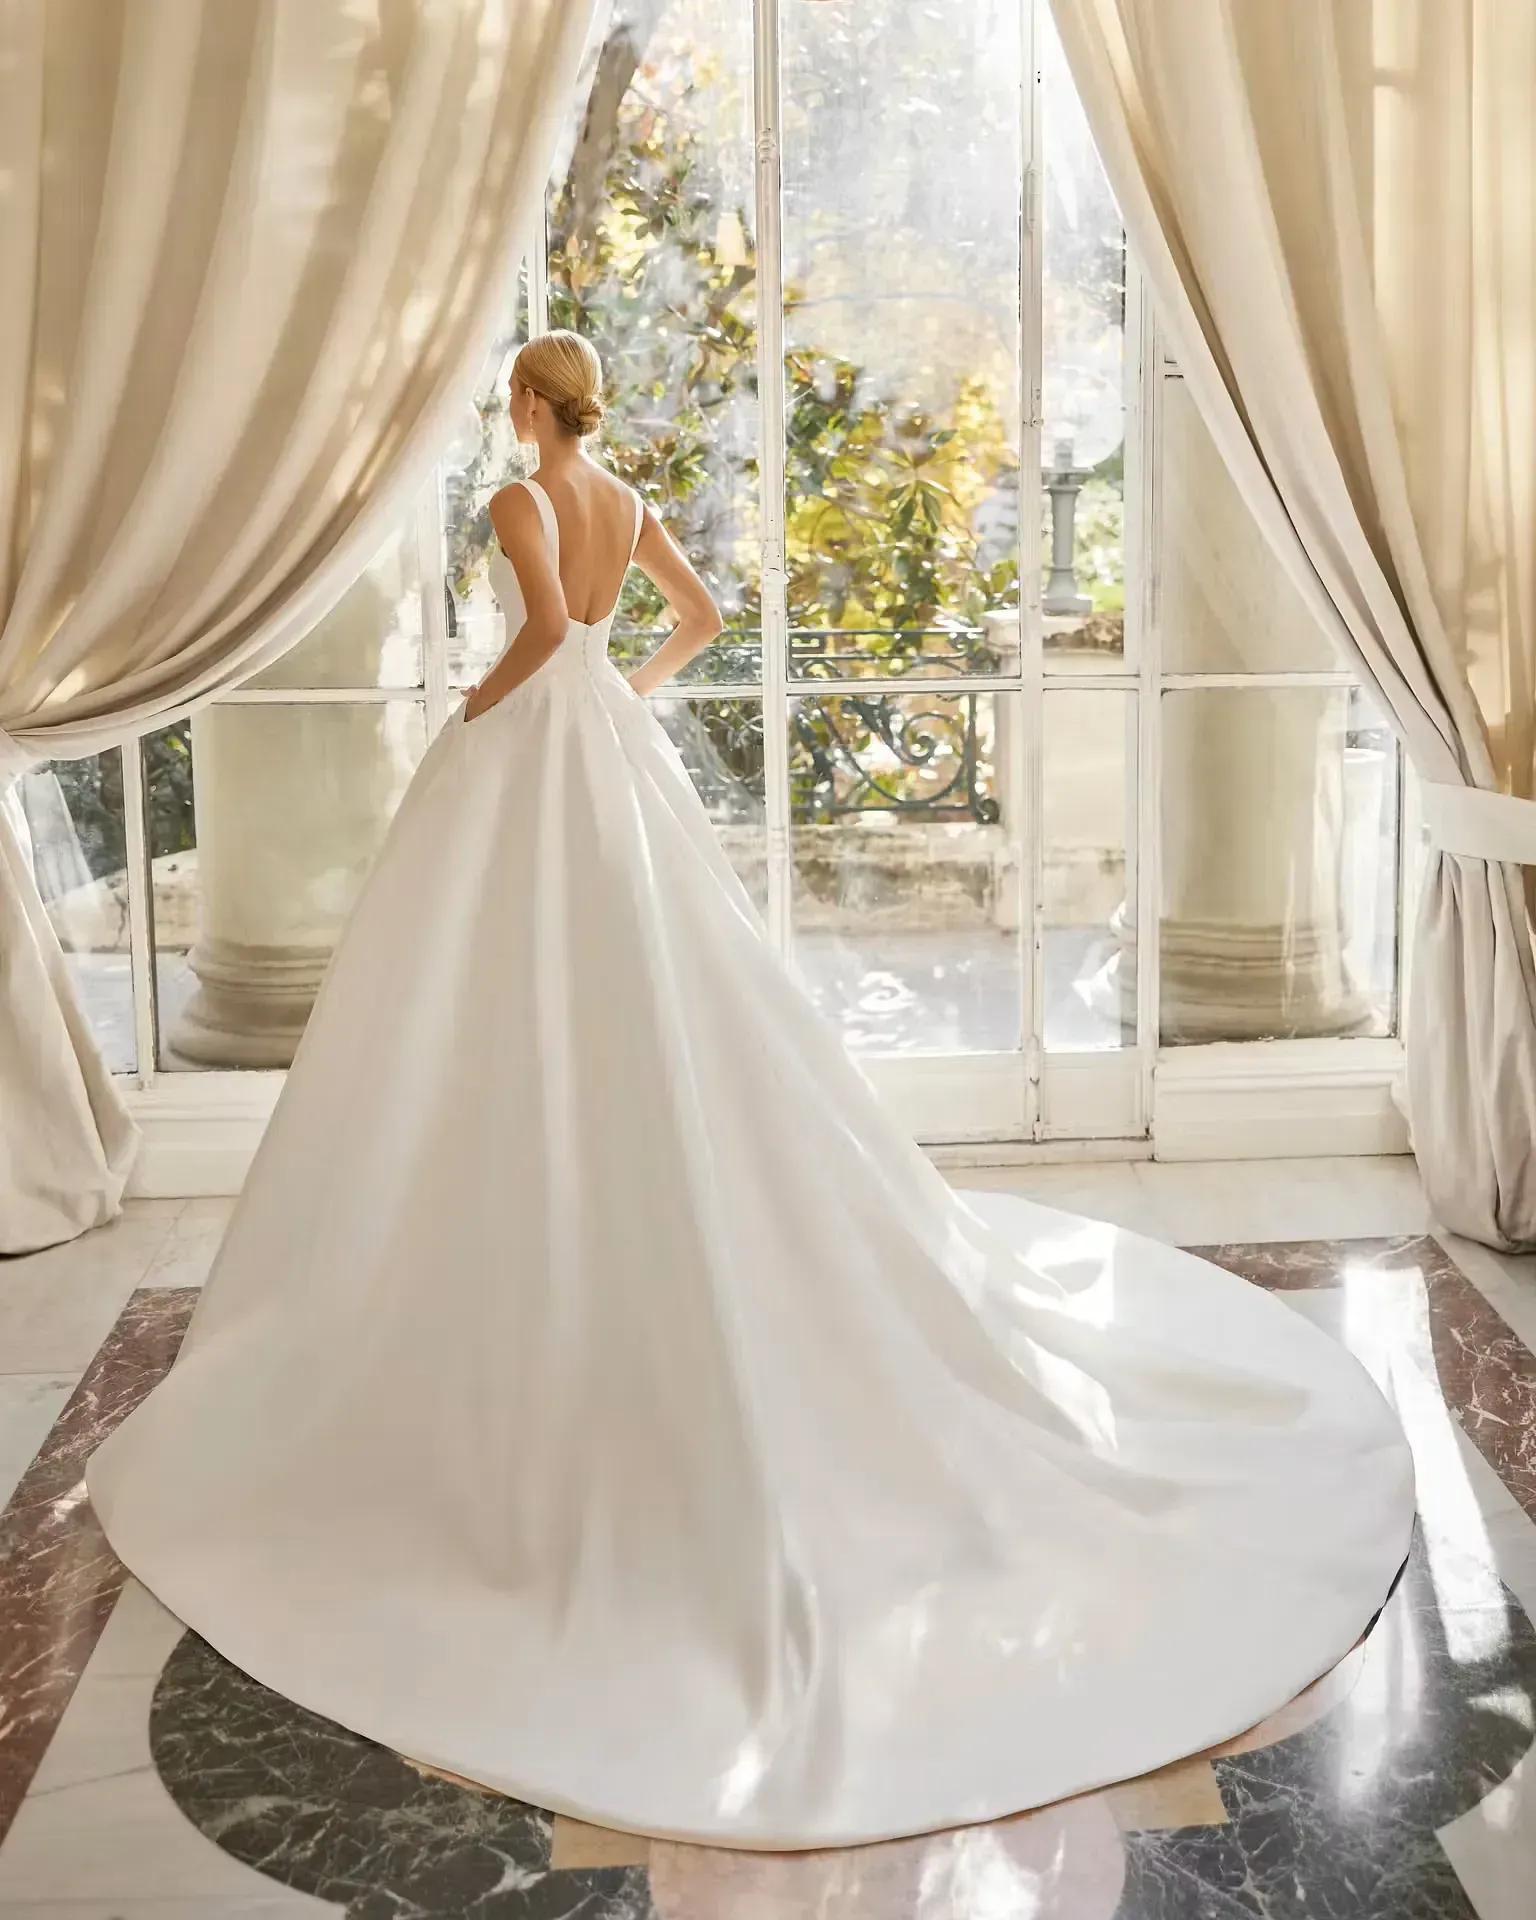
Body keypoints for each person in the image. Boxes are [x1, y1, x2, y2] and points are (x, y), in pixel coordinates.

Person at [88, 330, 1415, 1851]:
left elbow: (529, 633)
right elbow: (696, 616)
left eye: (513, 394)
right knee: (651, 971)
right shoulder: (630, 494)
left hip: (533, 750)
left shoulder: (526, 501)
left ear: (530, 404)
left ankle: (524, 1178)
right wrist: (626, 682)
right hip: (611, 752)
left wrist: (480, 712)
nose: (512, 413)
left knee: (499, 973)